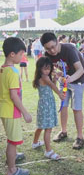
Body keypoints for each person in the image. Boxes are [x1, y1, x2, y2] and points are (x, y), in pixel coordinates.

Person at [40, 32, 84, 150]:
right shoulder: (47, 54)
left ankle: (80, 137)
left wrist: (71, 78)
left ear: (57, 41)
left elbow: (80, 70)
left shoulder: (69, 49)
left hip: (77, 80)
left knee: (76, 108)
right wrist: (57, 74)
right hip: (64, 81)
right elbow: (52, 70)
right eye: (48, 49)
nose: (52, 51)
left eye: (53, 46)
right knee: (63, 106)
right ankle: (63, 131)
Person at [0, 37, 32, 175]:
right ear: (12, 54)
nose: (22, 57)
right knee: (12, 141)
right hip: (11, 112)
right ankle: (12, 170)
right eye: (21, 54)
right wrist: (25, 112)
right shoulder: (13, 72)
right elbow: (14, 96)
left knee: (11, 138)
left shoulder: (2, 69)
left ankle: (13, 156)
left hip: (4, 110)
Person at [32, 57, 65, 160]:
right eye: (44, 68)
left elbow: (52, 84)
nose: (47, 70)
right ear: (39, 68)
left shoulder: (44, 77)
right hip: (46, 105)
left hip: (45, 105)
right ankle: (48, 151)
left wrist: (55, 78)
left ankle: (35, 143)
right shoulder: (45, 77)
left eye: (49, 68)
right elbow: (52, 86)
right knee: (48, 128)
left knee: (41, 126)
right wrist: (60, 94)